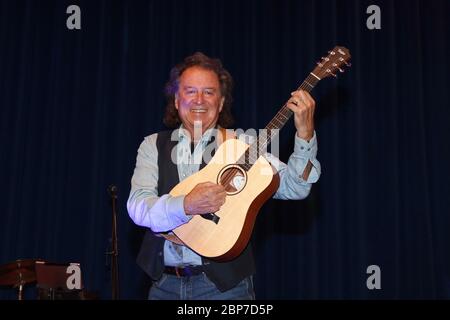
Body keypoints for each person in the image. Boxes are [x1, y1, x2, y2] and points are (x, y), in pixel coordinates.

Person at [127, 52, 321, 300]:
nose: (200, 100)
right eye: (190, 91)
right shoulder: (152, 145)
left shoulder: (244, 147)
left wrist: (305, 134)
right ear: (176, 100)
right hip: (163, 285)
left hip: (225, 289)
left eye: (209, 92)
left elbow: (297, 187)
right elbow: (137, 206)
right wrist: (186, 205)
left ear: (220, 103)